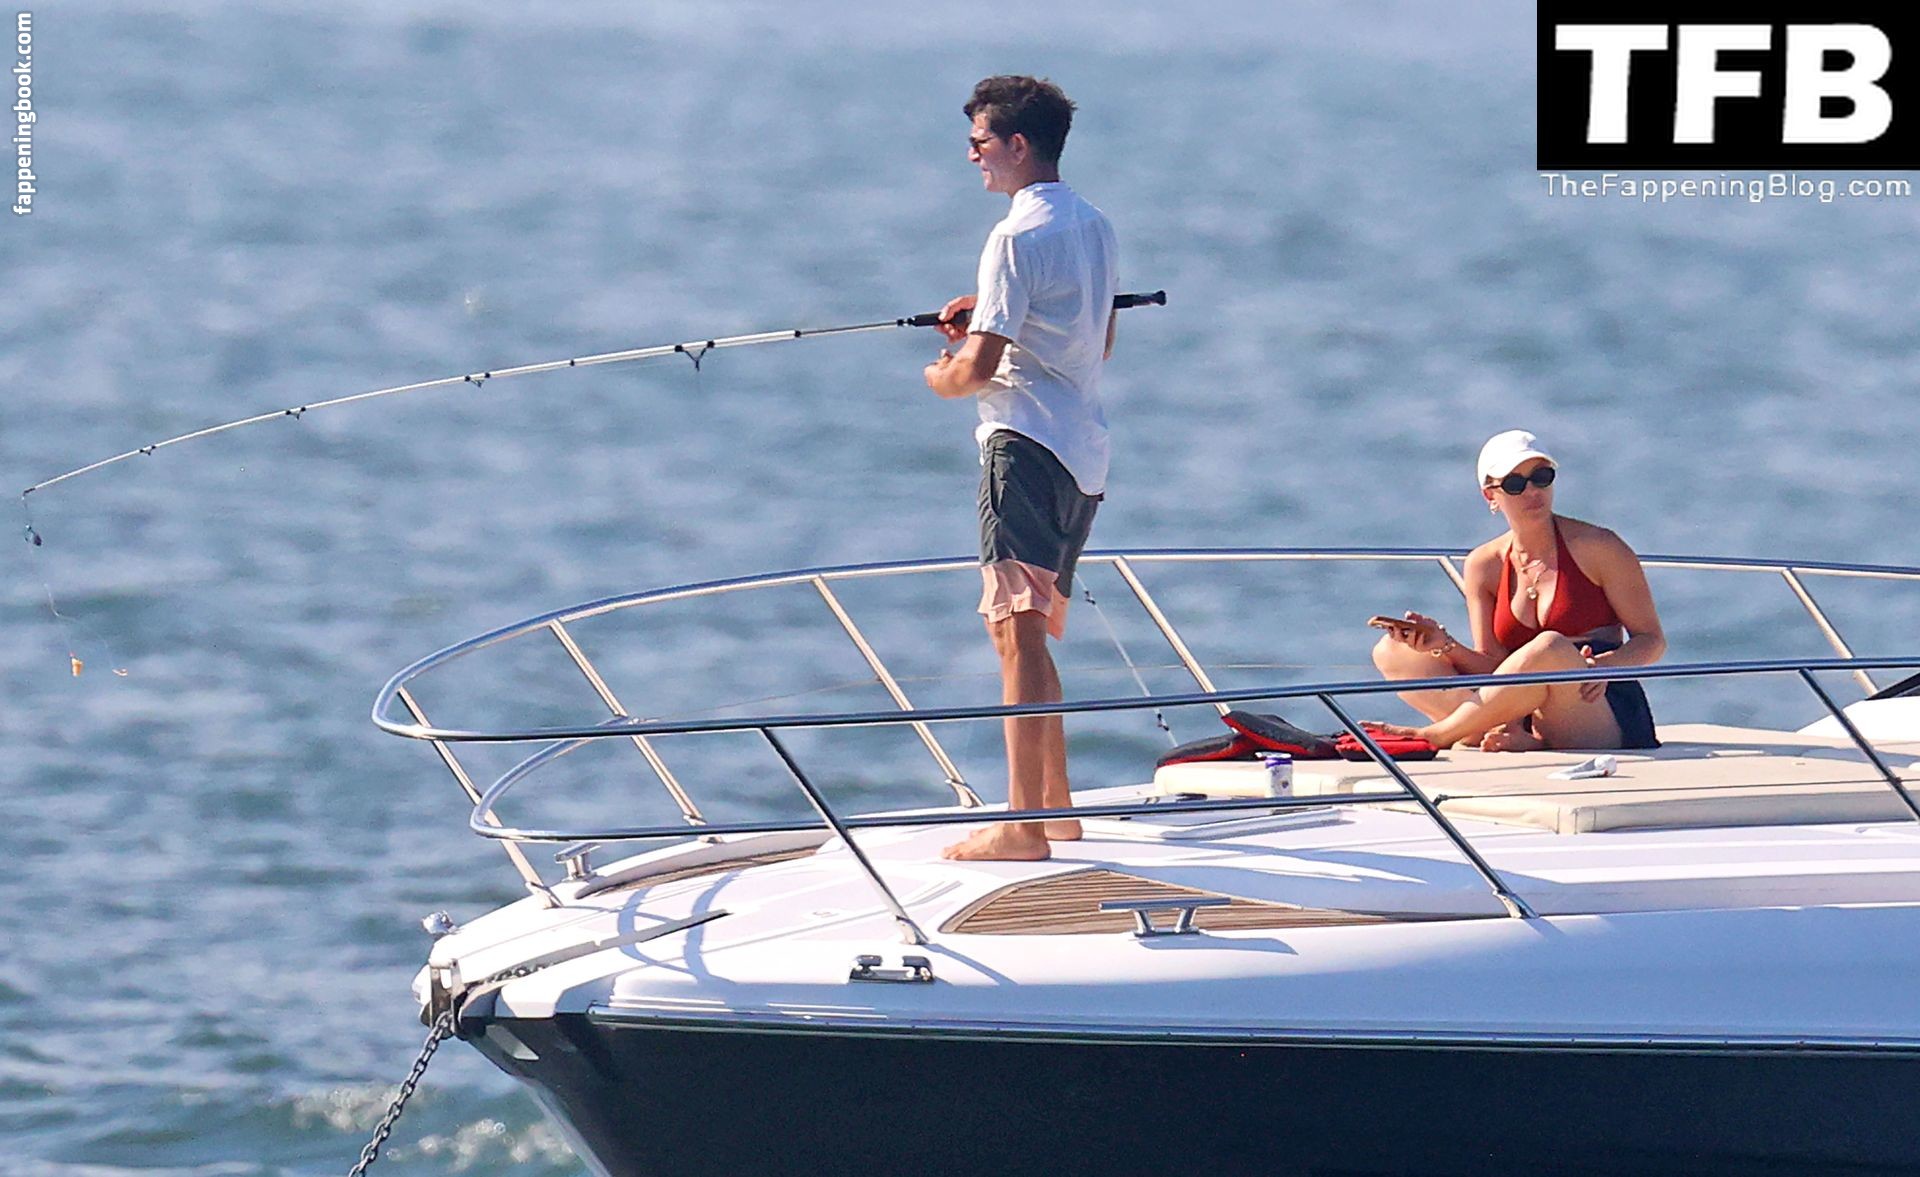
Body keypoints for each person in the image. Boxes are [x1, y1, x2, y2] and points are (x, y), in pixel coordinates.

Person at [922, 76, 1119, 861]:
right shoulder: (1093, 224)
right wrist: (990, 316)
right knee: (1029, 636)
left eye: (979, 143)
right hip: (1082, 453)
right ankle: (1055, 809)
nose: (971, 156)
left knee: (1016, 635)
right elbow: (1097, 340)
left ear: (1016, 144)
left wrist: (940, 373)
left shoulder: (1012, 237)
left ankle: (1021, 826)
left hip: (1024, 446)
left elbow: (977, 371)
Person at [1370, 430, 1666, 752]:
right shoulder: (1484, 565)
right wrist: (1445, 645)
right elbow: (1494, 669)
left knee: (1550, 647)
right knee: (1393, 651)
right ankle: (1500, 732)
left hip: (1596, 702)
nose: (1532, 491)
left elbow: (1652, 640)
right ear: (1490, 495)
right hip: (1521, 706)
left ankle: (1441, 734)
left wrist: (1605, 666)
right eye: (1515, 484)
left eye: (1542, 477)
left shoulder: (1599, 546)